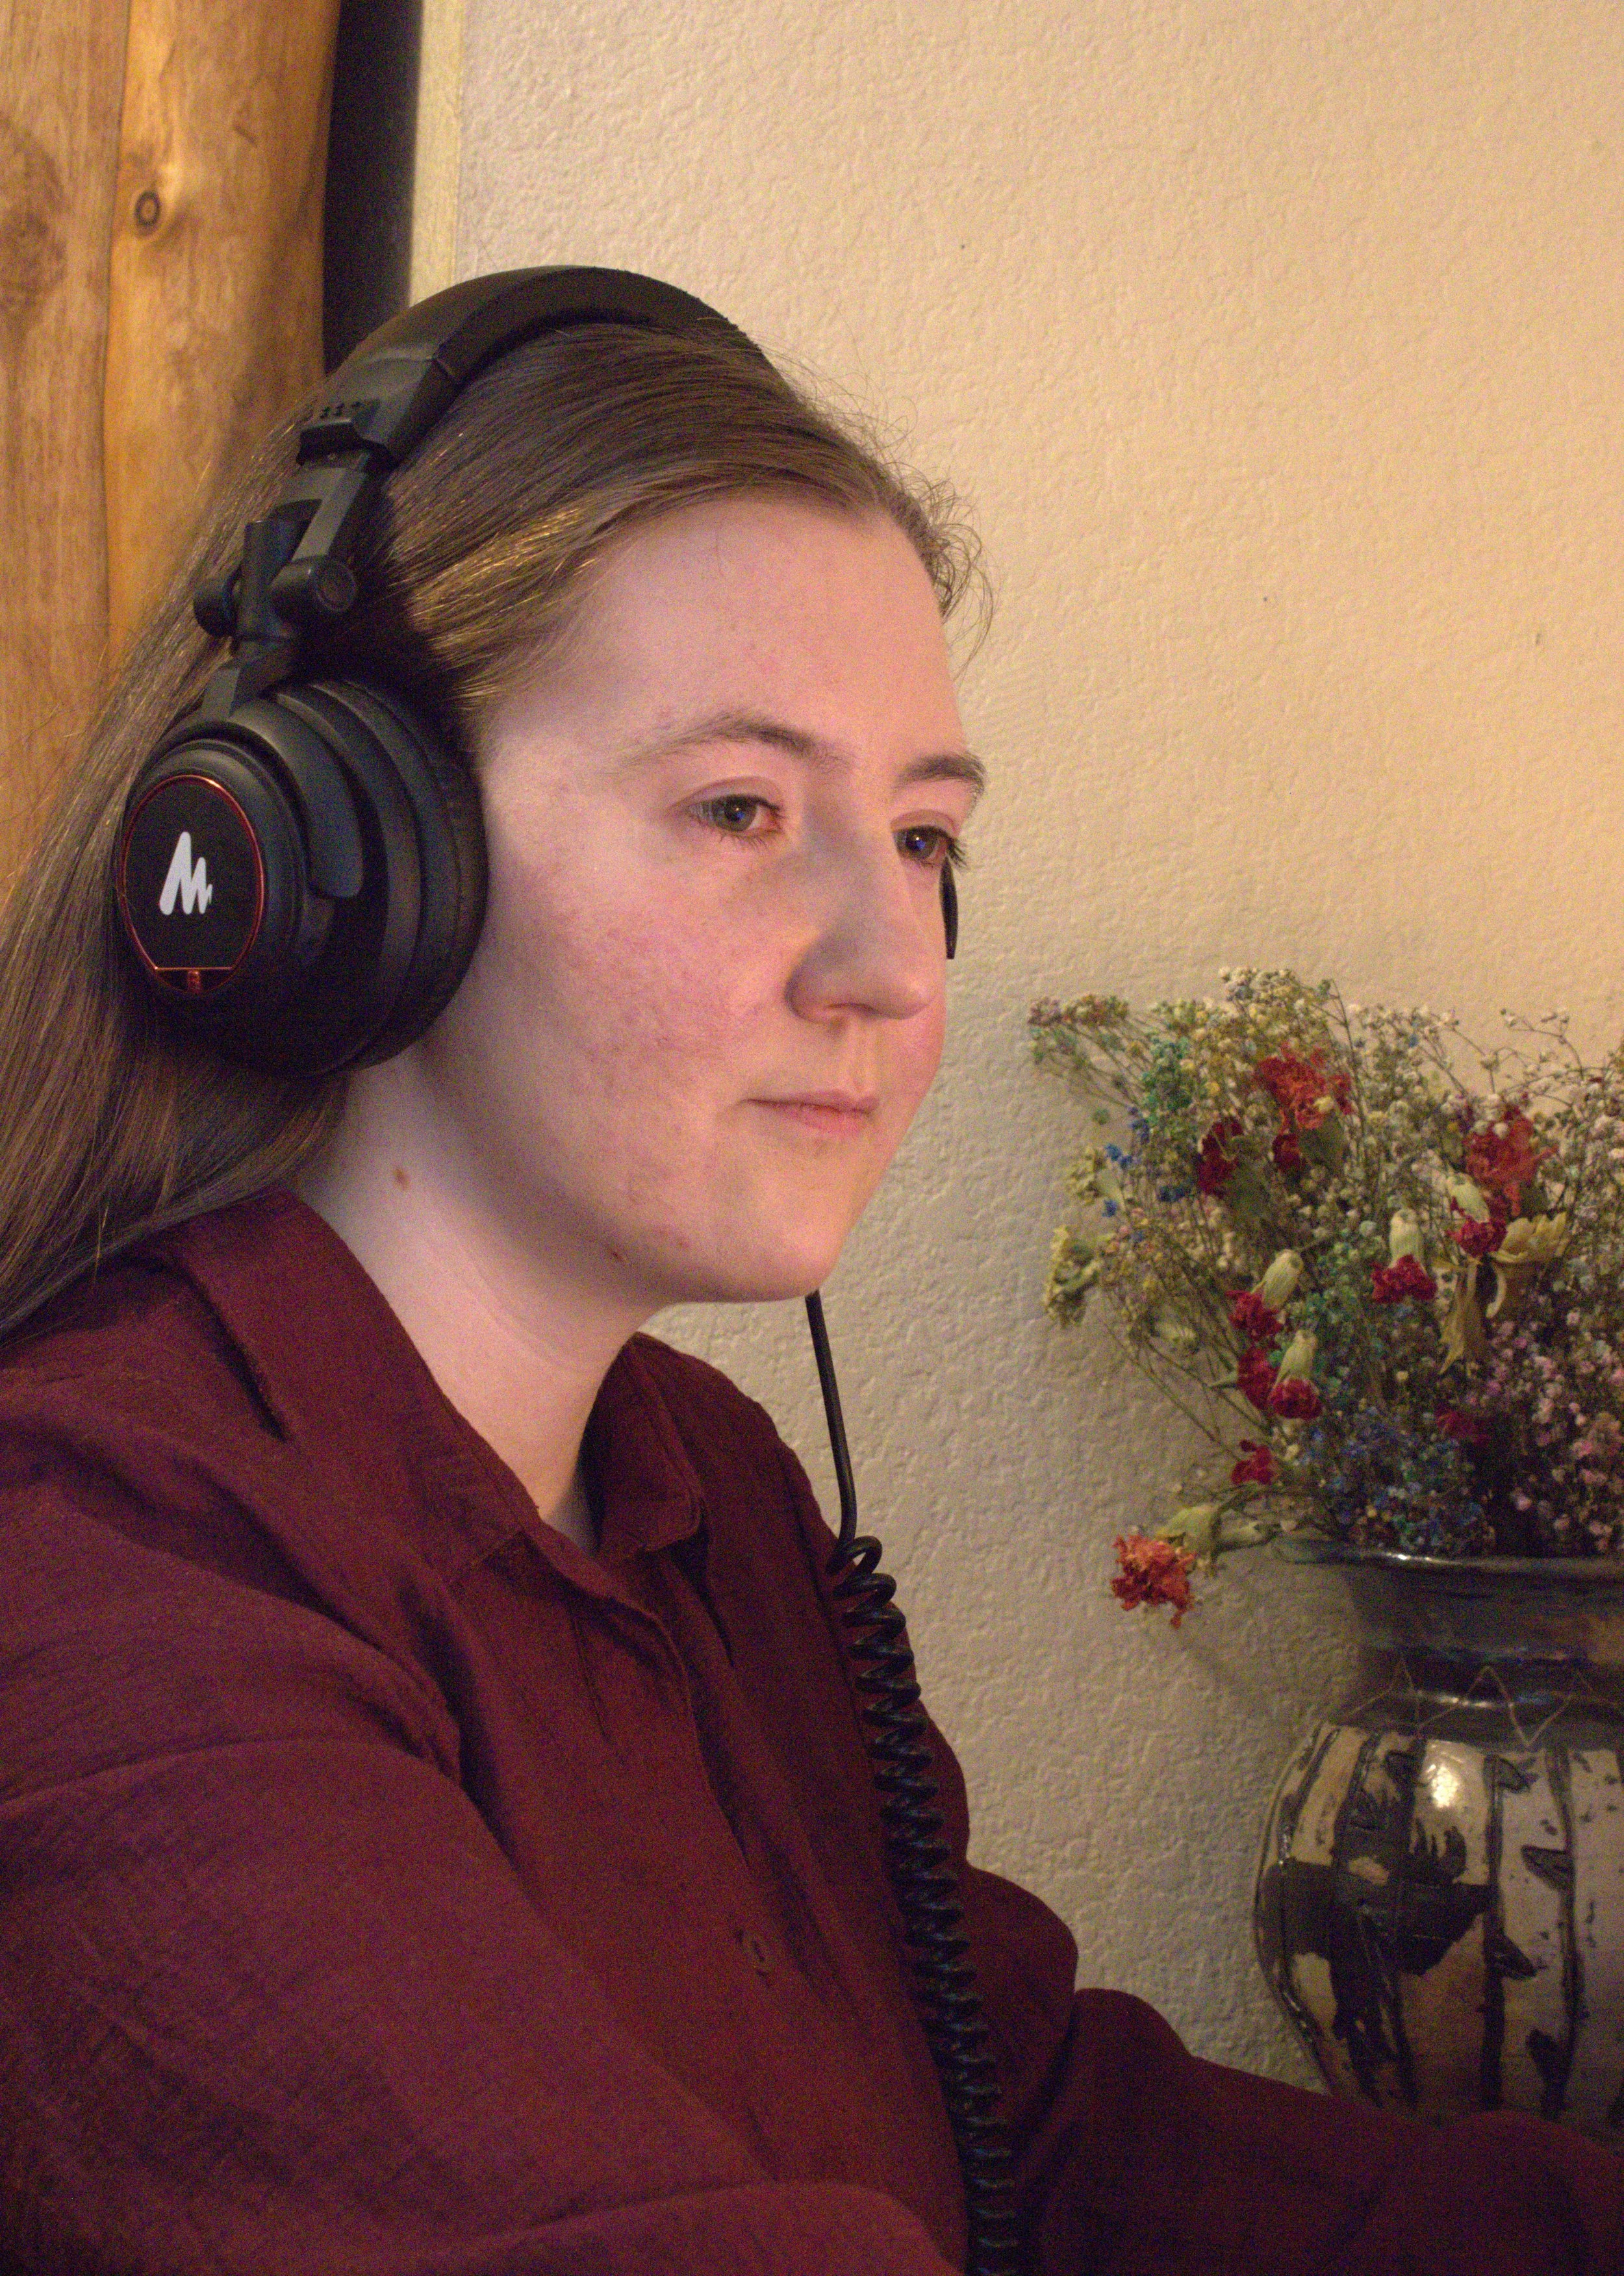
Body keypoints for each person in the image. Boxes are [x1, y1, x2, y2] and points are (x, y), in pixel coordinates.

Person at [0, 270, 1617, 2276]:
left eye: (923, 836)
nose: (889, 961)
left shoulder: (697, 1491)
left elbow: (1030, 2131)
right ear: (344, 857)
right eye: (742, 810)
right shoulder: (92, 1564)